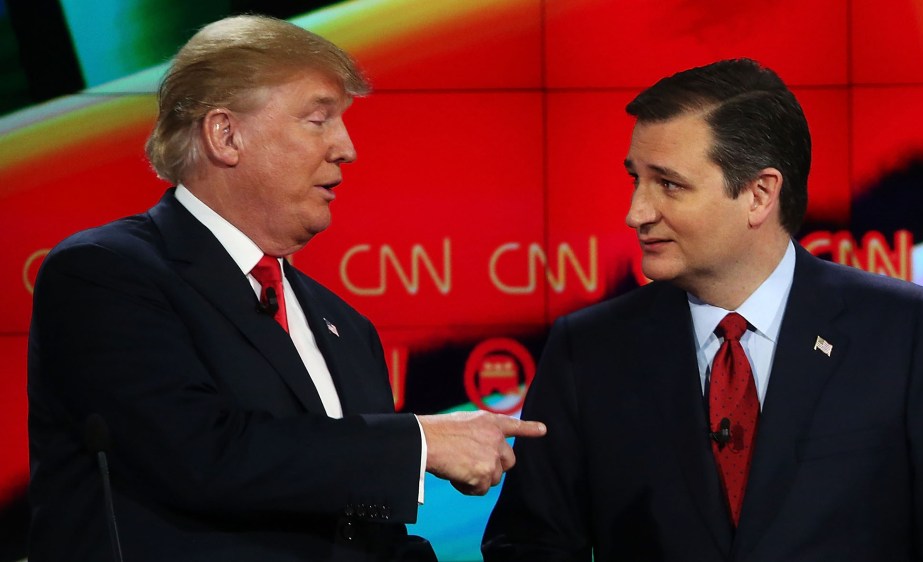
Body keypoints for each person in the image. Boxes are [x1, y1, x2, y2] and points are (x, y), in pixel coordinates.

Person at [27, 14, 545, 562]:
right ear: (226, 134)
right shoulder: (106, 273)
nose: (347, 148)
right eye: (319, 119)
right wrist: (419, 443)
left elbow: (366, 530)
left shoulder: (344, 327)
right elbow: (199, 457)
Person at [482, 58, 923, 561]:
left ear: (759, 194)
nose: (636, 212)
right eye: (635, 179)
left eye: (668, 184)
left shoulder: (906, 334)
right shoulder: (588, 352)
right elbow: (530, 546)